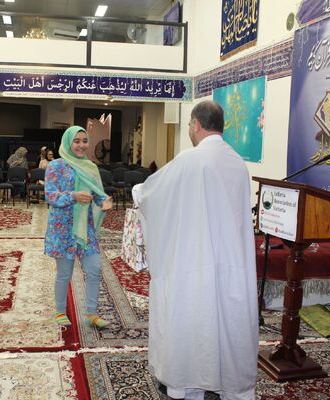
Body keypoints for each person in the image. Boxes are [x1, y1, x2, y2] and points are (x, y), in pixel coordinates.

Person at [131, 100, 258, 400]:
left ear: (197, 125)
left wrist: (137, 192)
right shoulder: (237, 162)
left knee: (193, 315)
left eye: (189, 124)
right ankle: (231, 386)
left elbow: (152, 194)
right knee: (226, 319)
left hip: (194, 256)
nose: (189, 129)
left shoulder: (190, 159)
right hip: (231, 260)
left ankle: (187, 384)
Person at [44, 126, 113, 329]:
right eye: (76, 141)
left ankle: (92, 313)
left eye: (84, 141)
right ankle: (60, 311)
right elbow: (50, 195)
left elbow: (97, 194)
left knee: (94, 270)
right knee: (64, 273)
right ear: (68, 143)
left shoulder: (90, 167)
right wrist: (73, 196)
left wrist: (104, 202)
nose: (81, 145)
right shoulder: (56, 166)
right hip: (63, 228)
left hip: (85, 228)